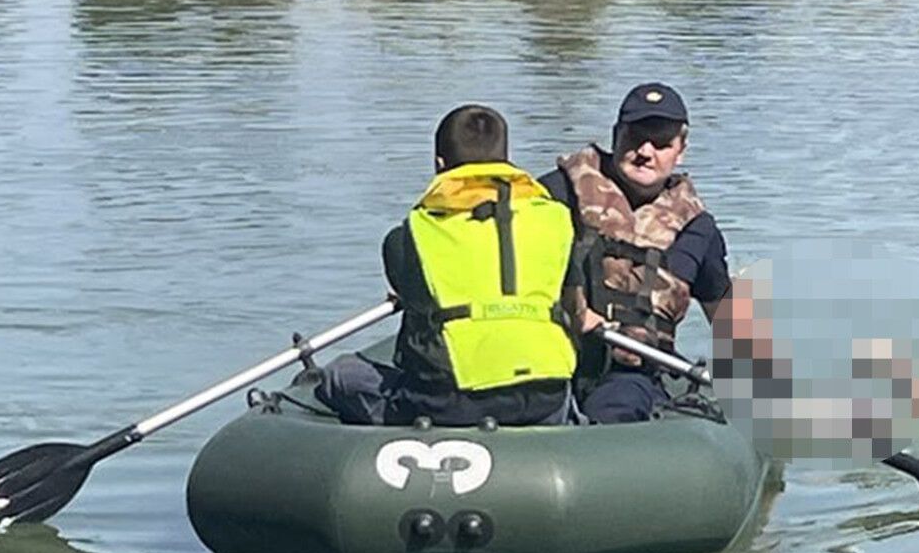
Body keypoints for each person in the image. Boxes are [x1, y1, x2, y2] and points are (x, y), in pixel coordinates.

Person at [314, 105, 587, 427]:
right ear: (506, 160)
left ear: (439, 164)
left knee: (340, 375)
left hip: (451, 402)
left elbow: (412, 296)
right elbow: (575, 307)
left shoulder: (409, 235)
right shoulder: (557, 221)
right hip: (545, 398)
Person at [540, 83, 732, 423]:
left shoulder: (697, 229)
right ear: (616, 136)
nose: (645, 151)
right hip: (550, 360)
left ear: (680, 150)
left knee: (620, 406)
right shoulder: (555, 195)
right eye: (635, 138)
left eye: (661, 143)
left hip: (631, 375)